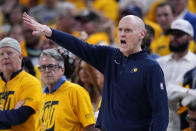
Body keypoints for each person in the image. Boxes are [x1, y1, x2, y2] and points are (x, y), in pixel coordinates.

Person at [23, 12, 169, 131]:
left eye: (128, 30)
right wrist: (50, 32)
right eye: (120, 30)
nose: (122, 34)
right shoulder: (110, 56)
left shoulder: (151, 67)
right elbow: (80, 46)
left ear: (142, 34)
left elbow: (161, 113)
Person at [37, 48, 96, 130]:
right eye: (43, 67)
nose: (47, 71)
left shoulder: (76, 91)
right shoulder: (41, 96)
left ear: (62, 69)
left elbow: (90, 127)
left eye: (51, 66)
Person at [157, 19, 196, 131]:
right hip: (159, 122)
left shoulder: (195, 63)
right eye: (173, 34)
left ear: (190, 38)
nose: (174, 37)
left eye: (179, 34)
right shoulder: (159, 63)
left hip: (185, 122)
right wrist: (187, 93)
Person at [0, 37, 42, 130]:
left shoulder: (31, 82)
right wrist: (9, 116)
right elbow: (12, 117)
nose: (5, 57)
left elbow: (19, 116)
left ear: (20, 57)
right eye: (1, 54)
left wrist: (13, 116)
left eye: (9, 53)